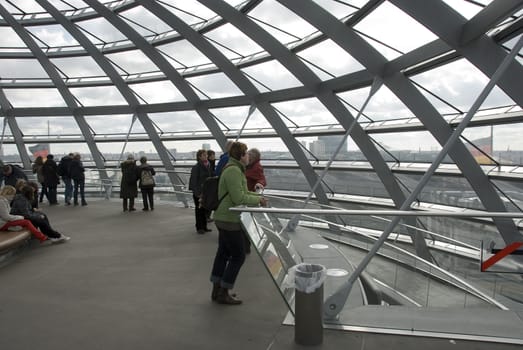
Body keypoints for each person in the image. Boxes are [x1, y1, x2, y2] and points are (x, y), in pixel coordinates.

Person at [210, 141, 268, 305]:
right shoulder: (235, 171)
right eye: (246, 153)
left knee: (223, 254)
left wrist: (257, 197)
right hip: (230, 219)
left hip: (223, 217)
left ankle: (217, 289)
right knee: (238, 256)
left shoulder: (232, 168)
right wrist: (259, 201)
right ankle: (224, 291)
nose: (248, 155)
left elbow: (241, 192)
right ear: (241, 155)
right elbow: (239, 198)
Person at [189, 149, 212, 234]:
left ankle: (204, 227)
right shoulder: (196, 167)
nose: (206, 156)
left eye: (206, 155)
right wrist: (197, 193)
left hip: (205, 192)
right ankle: (199, 227)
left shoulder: (208, 166)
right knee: (199, 210)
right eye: (204, 155)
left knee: (204, 209)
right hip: (199, 193)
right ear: (199, 157)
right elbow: (193, 181)